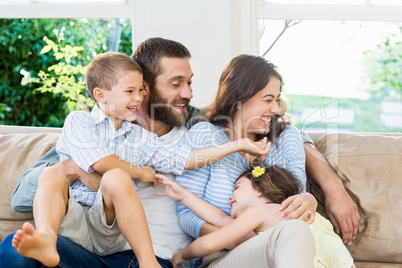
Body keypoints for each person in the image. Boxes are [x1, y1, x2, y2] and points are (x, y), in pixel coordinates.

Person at [10, 50, 270, 267]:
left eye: (189, 83)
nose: (189, 93)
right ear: (147, 87)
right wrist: (75, 168)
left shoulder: (196, 127)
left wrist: (238, 145)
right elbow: (21, 198)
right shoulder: (82, 123)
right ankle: (45, 239)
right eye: (176, 83)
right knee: (13, 248)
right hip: (83, 236)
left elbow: (193, 155)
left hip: (149, 251)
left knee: (115, 177)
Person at [175, 54, 318, 267]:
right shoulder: (205, 136)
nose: (276, 109)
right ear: (239, 97)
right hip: (220, 256)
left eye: (277, 100)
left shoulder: (287, 137)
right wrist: (237, 239)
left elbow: (294, 199)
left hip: (278, 251)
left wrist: (308, 199)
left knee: (295, 231)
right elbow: (186, 213)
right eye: (268, 100)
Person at [157, 162, 355, 268]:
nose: (230, 197)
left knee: (295, 230)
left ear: (259, 190)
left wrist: (179, 257)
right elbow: (220, 218)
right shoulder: (308, 217)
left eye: (237, 187)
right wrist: (183, 195)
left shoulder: (265, 213)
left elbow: (210, 243)